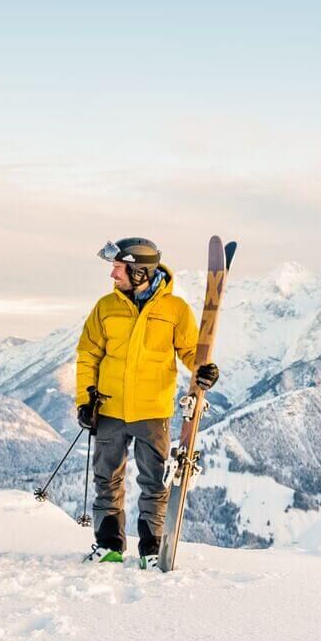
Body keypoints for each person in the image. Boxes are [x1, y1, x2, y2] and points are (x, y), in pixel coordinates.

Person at [75, 237, 220, 568]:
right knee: (106, 478)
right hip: (109, 409)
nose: (113, 275)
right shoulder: (105, 307)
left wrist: (204, 372)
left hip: (153, 412)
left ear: (139, 272)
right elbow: (88, 354)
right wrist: (85, 398)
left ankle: (151, 549)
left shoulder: (175, 310)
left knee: (154, 481)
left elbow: (190, 352)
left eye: (118, 268)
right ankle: (109, 545)